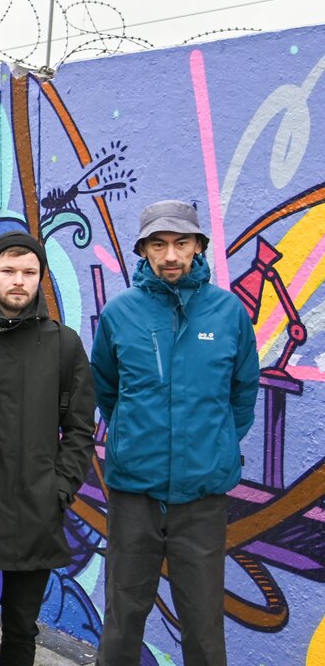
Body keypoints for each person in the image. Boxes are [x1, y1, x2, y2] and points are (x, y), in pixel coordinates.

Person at [91, 200, 259, 666]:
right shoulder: (120, 313)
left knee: (203, 627)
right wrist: (134, 440)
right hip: (135, 494)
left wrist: (217, 445)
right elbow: (107, 389)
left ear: (198, 246)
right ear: (143, 249)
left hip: (202, 498)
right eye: (158, 244)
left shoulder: (228, 312)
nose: (170, 255)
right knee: (123, 619)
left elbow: (243, 391)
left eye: (181, 243)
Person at [0, 232, 96, 666]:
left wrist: (59, 490)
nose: (18, 280)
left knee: (21, 628)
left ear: (40, 278)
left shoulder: (63, 344)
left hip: (35, 512)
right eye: (9, 270)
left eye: (29, 272)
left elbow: (80, 429)